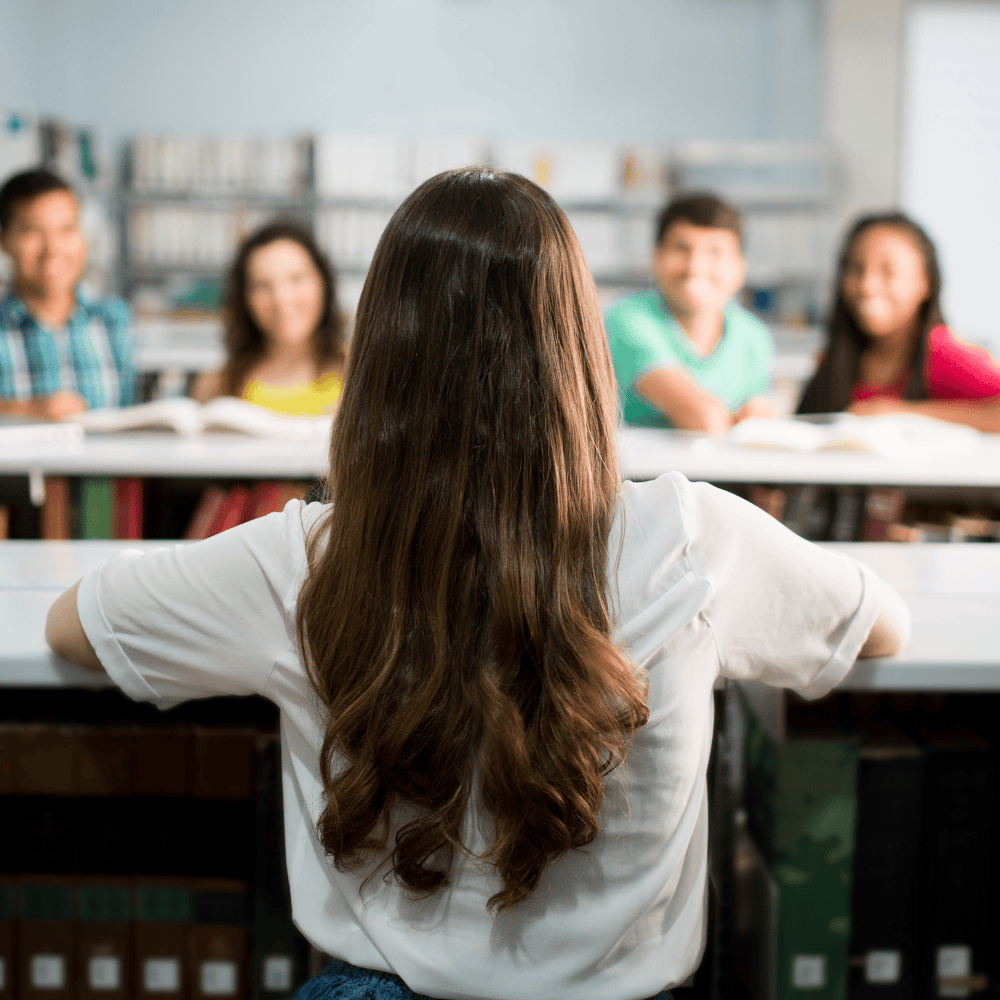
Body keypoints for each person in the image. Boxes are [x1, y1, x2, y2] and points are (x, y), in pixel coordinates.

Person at [46, 168, 909, 1000]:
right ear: (576, 341)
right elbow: (880, 625)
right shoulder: (695, 535)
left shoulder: (302, 555)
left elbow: (75, 626)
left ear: (381, 352)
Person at [797, 211, 1000, 431]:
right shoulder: (836, 358)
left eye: (889, 272)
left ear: (925, 282)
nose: (867, 286)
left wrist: (902, 413)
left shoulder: (941, 354)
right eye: (856, 269)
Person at [605, 192, 773, 431]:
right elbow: (703, 418)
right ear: (656, 258)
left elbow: (759, 425)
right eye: (682, 248)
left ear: (740, 268)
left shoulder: (754, 338)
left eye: (715, 252)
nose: (695, 267)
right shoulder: (625, 321)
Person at [0, 168, 135, 419]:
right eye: (32, 231)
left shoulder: (115, 318)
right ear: (5, 240)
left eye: (67, 229)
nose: (52, 248)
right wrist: (24, 410)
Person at [191, 221, 346, 415]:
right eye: (263, 286)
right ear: (244, 299)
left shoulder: (359, 376)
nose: (281, 299)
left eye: (297, 279)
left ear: (323, 283)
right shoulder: (215, 387)